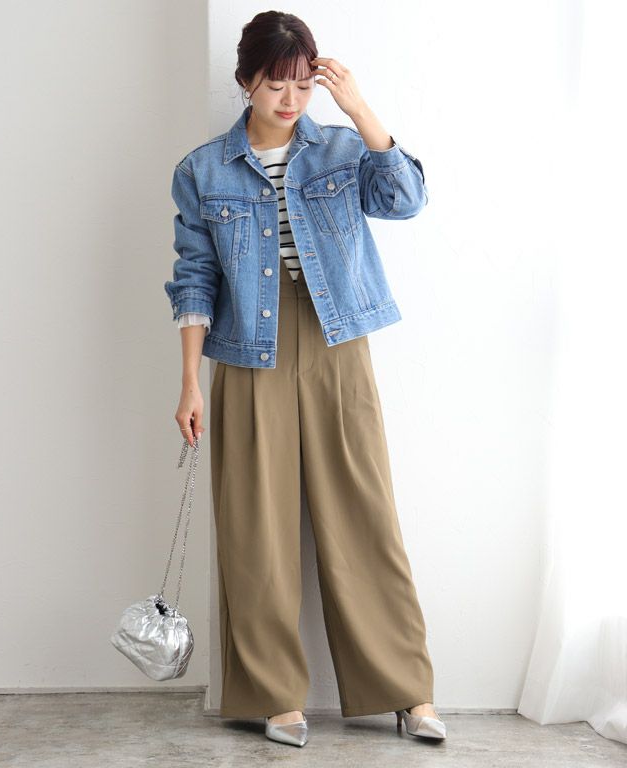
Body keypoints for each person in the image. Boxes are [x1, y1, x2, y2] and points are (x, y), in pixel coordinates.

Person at [164, 10, 446, 748]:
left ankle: (406, 690)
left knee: (364, 517)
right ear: (244, 81)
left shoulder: (343, 151)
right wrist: (190, 381)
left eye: (302, 85)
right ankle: (273, 694)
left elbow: (407, 200)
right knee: (255, 526)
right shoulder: (203, 170)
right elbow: (194, 278)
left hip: (337, 343)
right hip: (244, 353)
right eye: (274, 85)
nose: (290, 100)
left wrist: (359, 107)